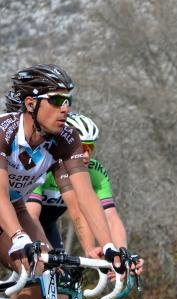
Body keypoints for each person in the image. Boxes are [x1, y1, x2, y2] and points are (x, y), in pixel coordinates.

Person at [0, 64, 124, 299]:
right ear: (30, 104)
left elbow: (85, 198)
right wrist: (20, 237)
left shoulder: (64, 138)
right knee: (28, 256)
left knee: (46, 268)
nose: (66, 106)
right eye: (56, 100)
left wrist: (109, 246)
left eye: (68, 99)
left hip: (14, 206)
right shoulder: (5, 132)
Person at [26, 112, 144, 275]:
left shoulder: (95, 172)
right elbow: (30, 215)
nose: (86, 155)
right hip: (21, 222)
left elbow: (109, 217)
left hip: (47, 225)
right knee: (37, 275)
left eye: (90, 148)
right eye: (81, 148)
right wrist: (47, 251)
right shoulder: (43, 165)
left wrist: (119, 254)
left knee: (61, 286)